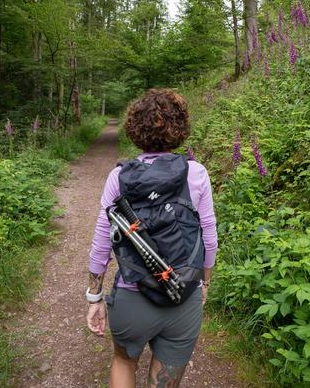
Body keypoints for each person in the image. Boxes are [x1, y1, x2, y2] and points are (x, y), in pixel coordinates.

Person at [86, 88, 218, 388]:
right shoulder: (196, 174)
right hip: (183, 296)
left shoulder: (119, 177)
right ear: (180, 128)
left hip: (132, 298)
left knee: (123, 361)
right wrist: (204, 282)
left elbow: (102, 242)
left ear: (135, 129)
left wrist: (94, 297)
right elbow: (209, 238)